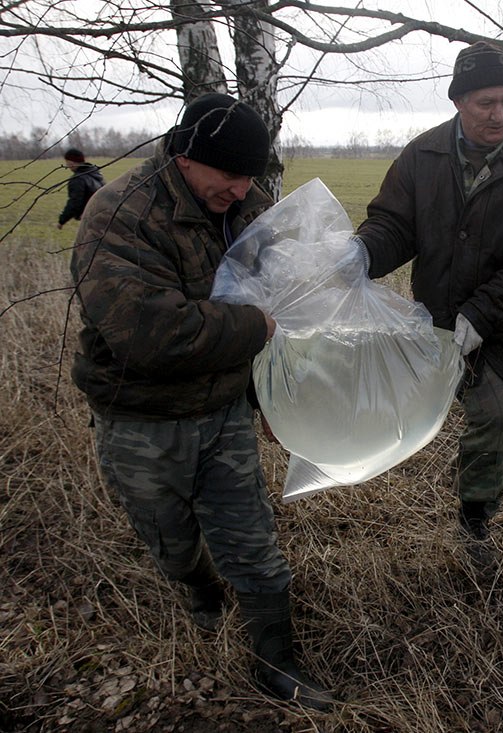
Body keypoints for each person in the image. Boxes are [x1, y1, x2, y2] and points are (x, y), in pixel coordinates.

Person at [69, 93, 333, 711]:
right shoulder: (119, 215)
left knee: (254, 544)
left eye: (251, 176)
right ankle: (199, 590)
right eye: (229, 175)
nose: (242, 191)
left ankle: (276, 659)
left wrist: (273, 395)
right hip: (142, 421)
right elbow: (150, 334)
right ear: (185, 157)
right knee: (172, 539)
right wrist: (255, 329)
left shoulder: (248, 205)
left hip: (223, 414)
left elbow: (286, 291)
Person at [353, 41, 503, 544]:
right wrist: (361, 254)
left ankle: (474, 519)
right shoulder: (421, 156)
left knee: (502, 424)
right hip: (441, 319)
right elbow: (393, 225)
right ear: (458, 102)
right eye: (486, 103)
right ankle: (475, 518)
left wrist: (483, 311)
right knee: (489, 415)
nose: (500, 114)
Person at [57, 148, 105, 229]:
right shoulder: (94, 173)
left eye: (67, 162)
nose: (67, 165)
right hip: (103, 214)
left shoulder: (78, 179)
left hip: (91, 217)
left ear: (71, 162)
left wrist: (62, 220)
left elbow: (74, 203)